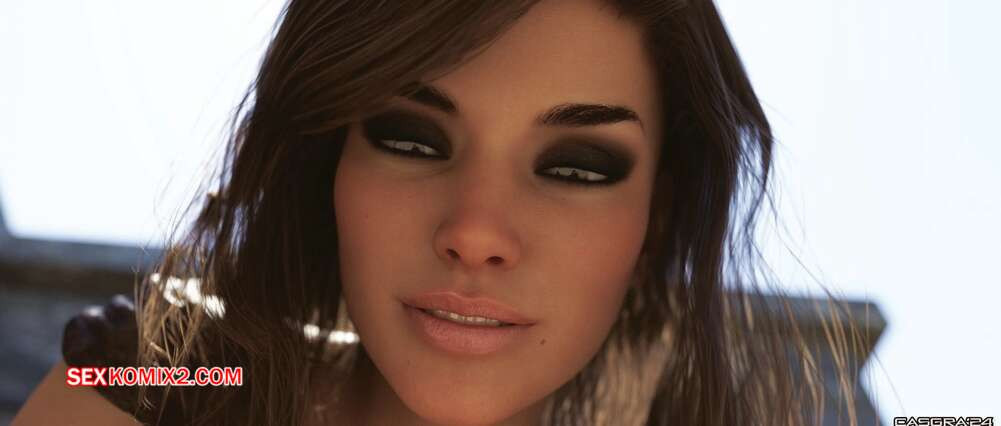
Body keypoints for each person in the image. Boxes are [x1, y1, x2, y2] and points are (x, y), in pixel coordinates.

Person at [14, 0, 864, 424]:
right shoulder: (149, 385)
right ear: (326, 165)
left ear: (657, 219)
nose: (474, 233)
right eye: (411, 140)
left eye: (575, 167)